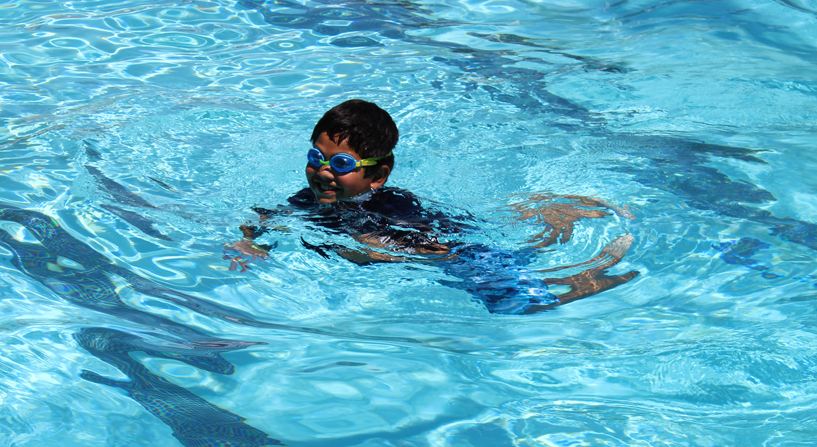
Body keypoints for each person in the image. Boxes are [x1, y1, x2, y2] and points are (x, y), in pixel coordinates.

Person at [225, 99, 638, 313]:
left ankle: (587, 276)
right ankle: (550, 214)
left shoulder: (388, 209)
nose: (324, 172)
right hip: (426, 241)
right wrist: (250, 242)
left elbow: (435, 250)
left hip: (450, 248)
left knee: (518, 300)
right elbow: (267, 216)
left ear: (378, 174)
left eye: (343, 164)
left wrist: (374, 251)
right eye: (316, 158)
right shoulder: (311, 199)